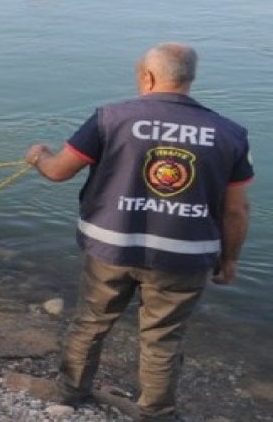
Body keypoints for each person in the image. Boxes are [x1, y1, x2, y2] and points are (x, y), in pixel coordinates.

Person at [25, 42, 252, 421]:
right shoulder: (229, 133)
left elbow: (58, 171)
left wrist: (37, 157)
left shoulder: (110, 118)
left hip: (110, 248)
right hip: (183, 256)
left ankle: (70, 395)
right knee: (162, 338)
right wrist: (230, 259)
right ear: (189, 79)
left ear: (147, 77)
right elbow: (236, 209)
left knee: (91, 323)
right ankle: (156, 414)